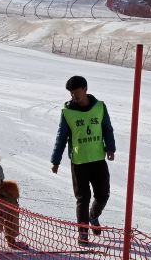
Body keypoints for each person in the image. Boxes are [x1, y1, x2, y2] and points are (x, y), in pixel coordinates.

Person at [50, 75, 116, 246]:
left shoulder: (100, 107)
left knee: (103, 195)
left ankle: (93, 215)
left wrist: (110, 148)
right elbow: (61, 137)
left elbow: (107, 128)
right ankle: (83, 232)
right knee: (82, 198)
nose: (74, 97)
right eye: (72, 94)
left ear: (85, 89)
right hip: (79, 163)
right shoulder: (67, 112)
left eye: (77, 93)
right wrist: (56, 160)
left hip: (98, 160)